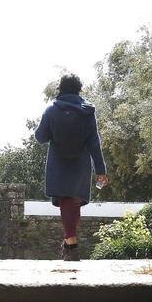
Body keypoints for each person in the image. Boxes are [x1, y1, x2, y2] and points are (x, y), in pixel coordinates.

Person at [34, 74, 109, 261]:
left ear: (60, 89)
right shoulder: (87, 111)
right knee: (73, 203)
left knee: (66, 202)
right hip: (80, 164)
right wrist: (101, 170)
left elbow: (40, 137)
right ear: (78, 89)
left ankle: (72, 245)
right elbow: (94, 142)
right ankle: (69, 245)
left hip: (58, 163)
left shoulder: (51, 111)